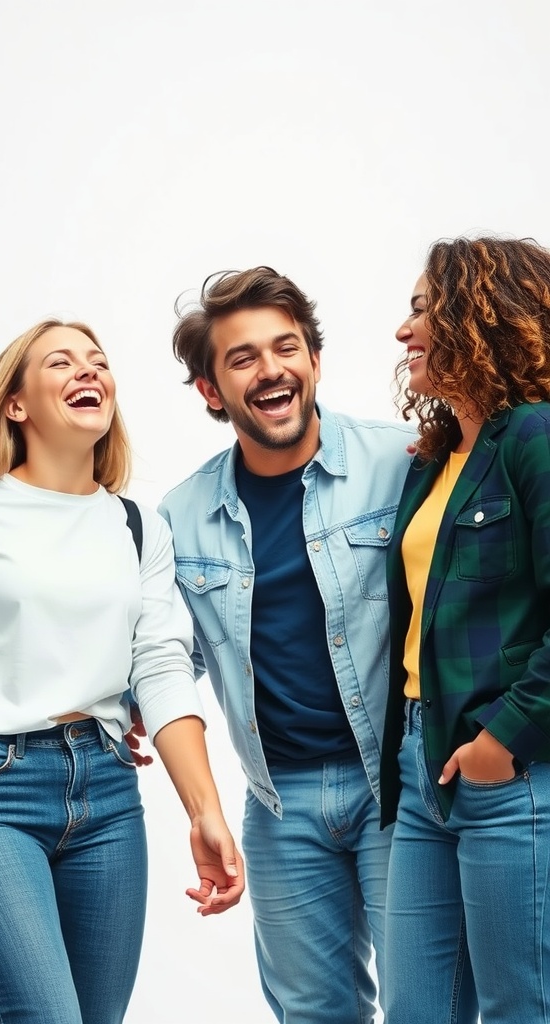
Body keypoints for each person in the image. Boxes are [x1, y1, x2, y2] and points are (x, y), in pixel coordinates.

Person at [158, 266, 414, 1024]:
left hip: (398, 787)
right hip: (279, 803)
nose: (271, 369)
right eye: (242, 358)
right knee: (313, 1013)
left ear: (313, 361)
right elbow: (172, 653)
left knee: (427, 1002)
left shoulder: (403, 464)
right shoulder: (184, 514)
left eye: (286, 348)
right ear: (212, 390)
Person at [0, 318, 244, 1024]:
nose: (87, 372)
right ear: (16, 403)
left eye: (98, 362)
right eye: (60, 362)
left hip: (106, 797)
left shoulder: (136, 525)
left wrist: (205, 811)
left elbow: (159, 666)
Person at [380, 235, 550, 1024]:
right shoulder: (437, 457)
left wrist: (503, 741)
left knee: (523, 1006)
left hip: (512, 769)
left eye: (421, 309)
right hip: (424, 769)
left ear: (479, 315)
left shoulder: (536, 437)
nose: (403, 330)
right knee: (414, 1010)